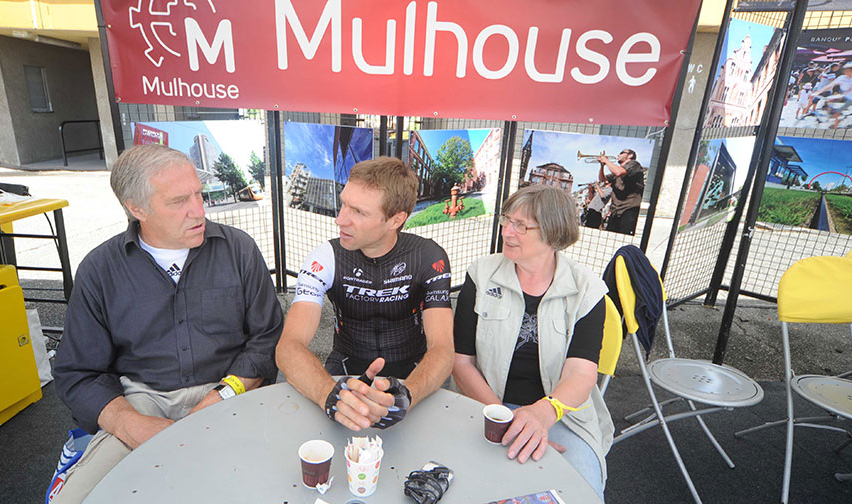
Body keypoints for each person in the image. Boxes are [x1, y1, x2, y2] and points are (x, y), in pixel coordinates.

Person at [52, 144, 284, 503]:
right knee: (77, 499)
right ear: (136, 208)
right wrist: (133, 425)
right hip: (142, 399)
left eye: (199, 195)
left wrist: (218, 397)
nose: (198, 211)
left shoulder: (238, 249)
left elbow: (267, 338)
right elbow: (76, 372)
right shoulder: (100, 270)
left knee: (267, 489)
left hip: (230, 390)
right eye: (178, 202)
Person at [452, 184, 612, 500]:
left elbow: (581, 375)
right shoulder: (482, 275)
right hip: (485, 405)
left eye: (521, 226)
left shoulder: (587, 291)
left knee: (580, 494)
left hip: (560, 414)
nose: (507, 232)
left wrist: (542, 415)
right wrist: (505, 420)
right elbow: (461, 362)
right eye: (506, 221)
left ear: (554, 234)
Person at [276, 156, 454, 432]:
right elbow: (288, 347)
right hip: (345, 367)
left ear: (396, 219)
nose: (340, 220)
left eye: (358, 212)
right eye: (344, 203)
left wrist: (409, 394)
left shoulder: (428, 256)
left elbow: (443, 349)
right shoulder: (325, 256)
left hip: (413, 371)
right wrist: (329, 394)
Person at [597, 148, 645, 235]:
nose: (618, 155)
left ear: (630, 155)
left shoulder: (634, 165)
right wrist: (602, 166)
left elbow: (619, 172)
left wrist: (606, 161)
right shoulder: (616, 170)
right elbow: (602, 179)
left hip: (628, 209)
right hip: (616, 210)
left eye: (621, 153)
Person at [814, 62, 852, 129]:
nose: (846, 72)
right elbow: (831, 85)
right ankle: (835, 115)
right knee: (827, 101)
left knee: (837, 112)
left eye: (848, 70)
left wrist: (842, 95)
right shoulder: (842, 77)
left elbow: (851, 88)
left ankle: (835, 126)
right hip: (844, 95)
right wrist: (818, 92)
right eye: (845, 70)